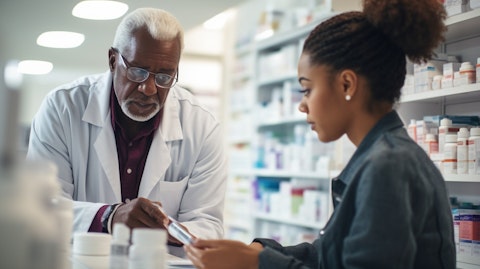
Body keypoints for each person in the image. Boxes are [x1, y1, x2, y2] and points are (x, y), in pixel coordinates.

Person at [185, 0, 456, 268]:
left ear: (347, 84)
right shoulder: (379, 156)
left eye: (307, 89)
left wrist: (258, 264)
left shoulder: (388, 166)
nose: (302, 104)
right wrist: (258, 251)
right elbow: (328, 256)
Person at [27, 8, 227, 254]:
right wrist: (109, 217)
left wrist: (169, 228)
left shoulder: (202, 126)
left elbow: (209, 224)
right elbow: (40, 208)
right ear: (113, 61)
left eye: (164, 76)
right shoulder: (62, 108)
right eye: (138, 71)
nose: (149, 88)